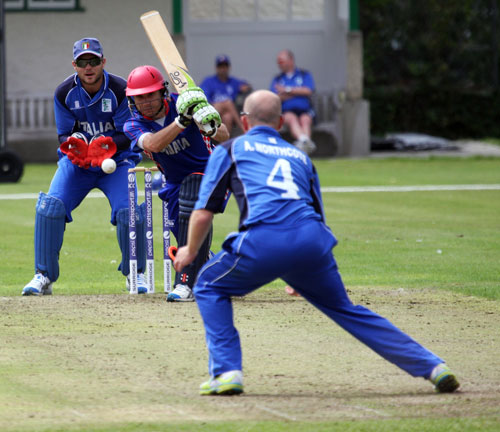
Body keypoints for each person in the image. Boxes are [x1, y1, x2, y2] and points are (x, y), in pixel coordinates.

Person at [173, 90, 460, 396]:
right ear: (282, 122)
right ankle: (433, 366)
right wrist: (302, 274)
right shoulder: (301, 157)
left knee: (208, 285)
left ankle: (227, 372)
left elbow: (203, 212)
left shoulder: (230, 149)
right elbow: (318, 217)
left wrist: (190, 251)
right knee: (346, 309)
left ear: (244, 120)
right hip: (311, 242)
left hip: (263, 238)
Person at [22, 37, 149, 296]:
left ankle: (136, 274)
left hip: (117, 161)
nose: (88, 67)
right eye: (82, 62)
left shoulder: (120, 89)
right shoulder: (63, 92)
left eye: (93, 61)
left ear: (103, 62)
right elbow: (63, 135)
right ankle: (43, 276)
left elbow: (129, 132)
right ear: (74, 65)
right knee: (51, 208)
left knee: (128, 212)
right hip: (78, 164)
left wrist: (106, 144)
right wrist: (75, 144)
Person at [124, 65, 230, 302]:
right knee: (184, 233)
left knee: (192, 200)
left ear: (162, 91)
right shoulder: (132, 124)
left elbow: (224, 135)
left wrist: (207, 120)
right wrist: (183, 121)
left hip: (212, 173)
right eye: (139, 97)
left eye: (150, 94)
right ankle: (216, 271)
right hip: (174, 185)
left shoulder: (186, 101)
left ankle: (185, 284)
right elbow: (153, 144)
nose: (146, 102)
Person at [270, 49, 317, 154]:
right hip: (287, 112)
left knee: (305, 119)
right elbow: (275, 97)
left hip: (305, 110)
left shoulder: (304, 74)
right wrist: (297, 93)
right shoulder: (277, 79)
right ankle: (305, 143)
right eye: (278, 62)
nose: (279, 64)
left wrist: (287, 90)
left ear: (290, 60)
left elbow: (308, 90)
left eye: (281, 61)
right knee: (291, 118)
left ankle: (303, 145)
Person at [200, 55, 251, 135]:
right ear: (216, 68)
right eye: (220, 66)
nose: (223, 69)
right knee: (228, 103)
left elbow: (246, 85)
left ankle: (223, 144)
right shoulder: (209, 81)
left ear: (229, 67)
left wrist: (245, 87)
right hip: (212, 110)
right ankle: (243, 128)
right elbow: (204, 99)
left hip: (226, 113)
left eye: (225, 66)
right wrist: (221, 104)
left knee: (228, 117)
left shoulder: (233, 82)